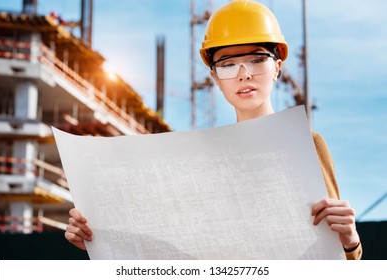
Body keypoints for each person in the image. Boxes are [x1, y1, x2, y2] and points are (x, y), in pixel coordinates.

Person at [65, 0, 362, 259]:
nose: (244, 74)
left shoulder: (307, 145)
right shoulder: (195, 160)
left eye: (257, 59)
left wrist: (350, 241)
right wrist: (98, 239)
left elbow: (339, 259)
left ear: (278, 67)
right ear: (215, 77)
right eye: (228, 64)